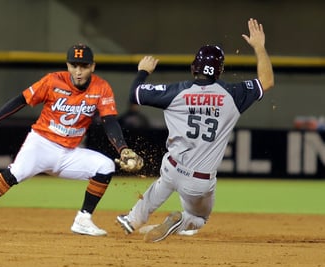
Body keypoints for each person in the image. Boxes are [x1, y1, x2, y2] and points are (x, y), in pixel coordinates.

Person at [0, 43, 143, 236]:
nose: (78, 71)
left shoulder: (101, 87)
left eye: (84, 66)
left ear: (92, 67)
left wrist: (122, 148)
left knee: (106, 166)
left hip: (69, 153)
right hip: (41, 144)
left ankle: (83, 219)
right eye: (74, 65)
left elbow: (109, 121)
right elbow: (22, 99)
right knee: (15, 173)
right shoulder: (53, 81)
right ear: (68, 65)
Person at [116, 18, 274, 242]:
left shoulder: (175, 91)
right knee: (199, 217)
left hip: (172, 166)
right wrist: (259, 47)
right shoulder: (234, 95)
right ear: (219, 71)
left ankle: (133, 219)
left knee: (164, 181)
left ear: (193, 68)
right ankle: (182, 221)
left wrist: (143, 71)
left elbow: (135, 94)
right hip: (198, 181)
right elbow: (266, 81)